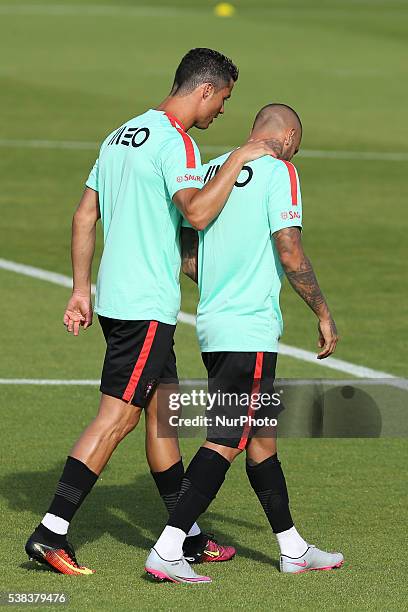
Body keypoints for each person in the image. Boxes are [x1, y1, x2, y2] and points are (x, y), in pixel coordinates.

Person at [24, 48, 278, 575]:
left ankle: (185, 533)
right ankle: (51, 532)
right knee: (116, 417)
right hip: (145, 306)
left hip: (120, 300)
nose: (222, 112)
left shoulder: (122, 134)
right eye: (223, 99)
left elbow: (84, 214)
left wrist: (79, 290)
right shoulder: (175, 142)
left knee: (162, 414)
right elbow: (199, 213)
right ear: (204, 90)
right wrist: (237, 157)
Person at [145, 103, 344, 584]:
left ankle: (292, 547)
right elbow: (289, 248)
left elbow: (188, 252)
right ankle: (169, 547)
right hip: (249, 330)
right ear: (289, 135)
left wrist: (222, 286)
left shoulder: (214, 168)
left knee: (260, 441)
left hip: (213, 324)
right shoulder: (280, 170)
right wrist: (322, 312)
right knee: (228, 438)